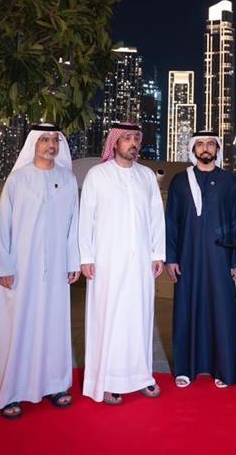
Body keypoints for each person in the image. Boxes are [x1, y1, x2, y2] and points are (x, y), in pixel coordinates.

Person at [0, 123, 80, 419]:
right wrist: (4, 266)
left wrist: (72, 262)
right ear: (33, 143)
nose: (50, 145)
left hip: (56, 269)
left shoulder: (67, 179)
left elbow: (73, 226)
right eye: (44, 139)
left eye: (55, 140)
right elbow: (4, 226)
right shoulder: (18, 179)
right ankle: (11, 392)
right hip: (21, 269)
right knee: (19, 328)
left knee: (54, 326)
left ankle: (54, 385)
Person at [79, 122, 165, 404]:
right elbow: (86, 219)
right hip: (107, 261)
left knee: (139, 318)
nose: (132, 143)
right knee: (110, 319)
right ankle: (106, 380)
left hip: (140, 261)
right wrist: (86, 257)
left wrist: (157, 254)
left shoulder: (146, 176)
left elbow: (156, 217)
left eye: (136, 138)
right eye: (126, 138)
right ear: (114, 143)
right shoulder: (97, 175)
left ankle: (141, 376)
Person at [165, 130, 236, 388]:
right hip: (187, 257)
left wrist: (235, 259)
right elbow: (171, 222)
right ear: (193, 149)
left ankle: (224, 370)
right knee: (186, 309)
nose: (205, 148)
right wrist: (171, 258)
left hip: (220, 257)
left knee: (222, 311)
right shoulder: (179, 181)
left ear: (217, 149)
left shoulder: (229, 181)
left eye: (210, 143)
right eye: (200, 144)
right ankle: (185, 369)